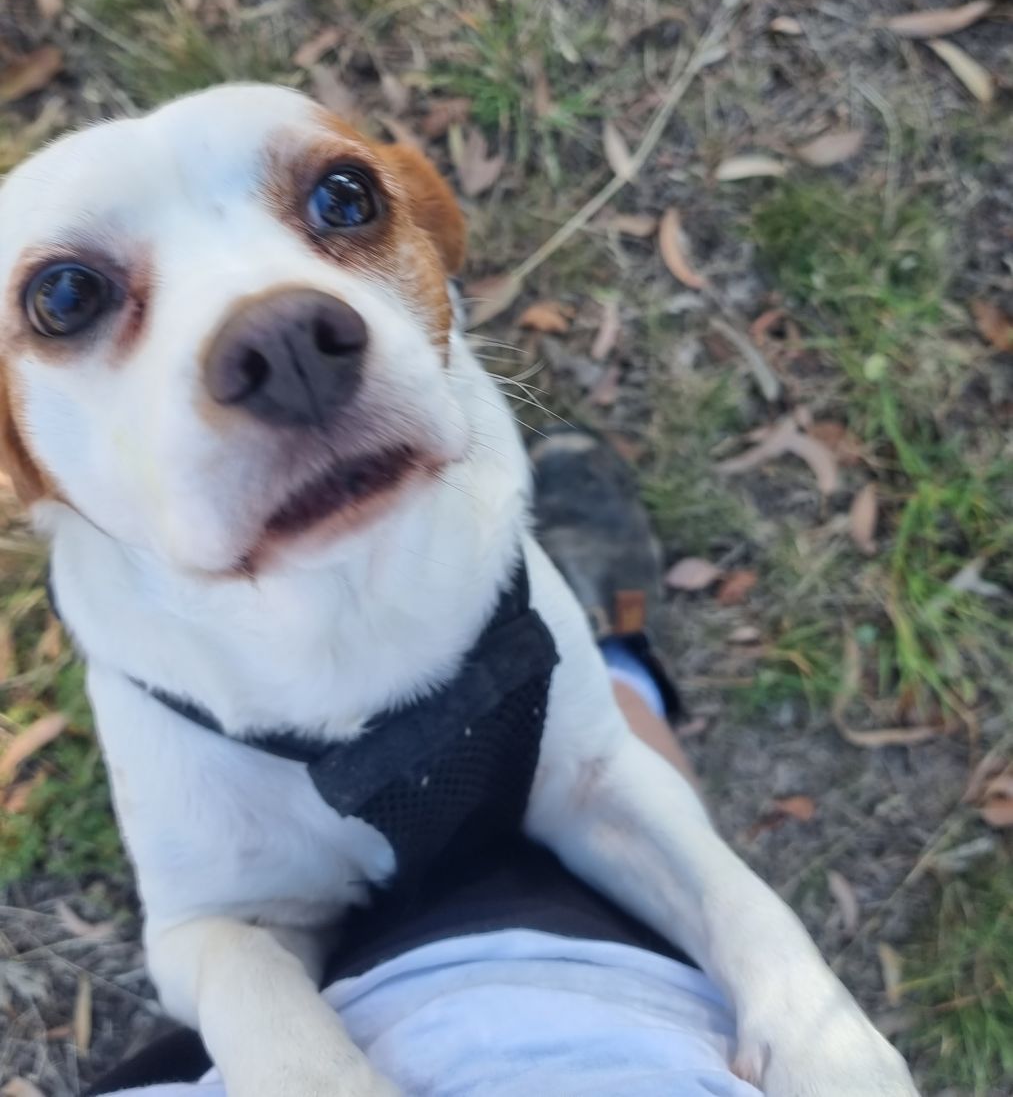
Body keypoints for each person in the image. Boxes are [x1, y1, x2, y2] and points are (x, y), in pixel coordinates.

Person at [87, 429, 760, 1097]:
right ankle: (620, 661)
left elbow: (194, 932)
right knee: (599, 763)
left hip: (339, 993)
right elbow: (598, 780)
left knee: (593, 760)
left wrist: (252, 1008)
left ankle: (608, 663)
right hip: (617, 994)